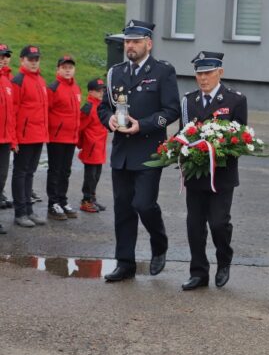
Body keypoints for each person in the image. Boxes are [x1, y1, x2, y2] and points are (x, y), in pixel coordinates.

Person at [98, 19, 180, 282]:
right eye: (127, 42)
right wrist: (108, 120)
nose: (130, 46)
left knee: (143, 204)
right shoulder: (116, 72)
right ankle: (125, 263)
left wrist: (141, 125)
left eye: (135, 41)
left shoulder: (163, 71)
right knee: (123, 209)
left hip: (149, 152)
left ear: (148, 43)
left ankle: (159, 242)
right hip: (121, 152)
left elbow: (171, 111)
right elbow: (104, 107)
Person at [180, 51, 248, 291]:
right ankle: (198, 272)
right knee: (194, 225)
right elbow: (184, 134)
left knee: (219, 223)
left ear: (220, 72)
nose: (203, 78)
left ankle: (224, 260)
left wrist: (217, 149)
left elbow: (241, 139)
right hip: (195, 174)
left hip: (222, 175)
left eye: (208, 73)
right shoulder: (189, 100)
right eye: (199, 73)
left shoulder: (235, 100)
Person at [11, 45, 49, 227]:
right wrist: (14, 138)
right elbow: (13, 111)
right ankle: (20, 213)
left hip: (37, 135)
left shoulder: (40, 80)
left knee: (30, 173)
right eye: (30, 59)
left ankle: (29, 210)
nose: (34, 63)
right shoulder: (18, 80)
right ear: (22, 60)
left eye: (36, 59)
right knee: (21, 173)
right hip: (24, 136)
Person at [46, 55, 81, 220]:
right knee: (55, 171)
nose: (68, 70)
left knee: (65, 171)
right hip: (56, 137)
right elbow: (46, 112)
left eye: (70, 67)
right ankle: (53, 203)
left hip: (71, 137)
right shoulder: (53, 88)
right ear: (58, 69)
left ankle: (62, 200)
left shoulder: (76, 88)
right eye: (64, 67)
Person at [78, 78, 108, 213]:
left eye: (102, 90)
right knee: (90, 176)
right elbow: (80, 127)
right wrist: (81, 144)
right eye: (98, 91)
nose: (101, 93)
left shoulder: (101, 106)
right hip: (91, 147)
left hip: (99, 147)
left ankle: (92, 198)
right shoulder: (88, 107)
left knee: (97, 174)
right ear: (90, 92)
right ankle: (86, 201)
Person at [0, 44, 17, 233]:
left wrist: (13, 139)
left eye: (5, 56)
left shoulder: (6, 81)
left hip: (4, 140)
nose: (2, 59)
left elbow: (11, 114)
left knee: (1, 178)